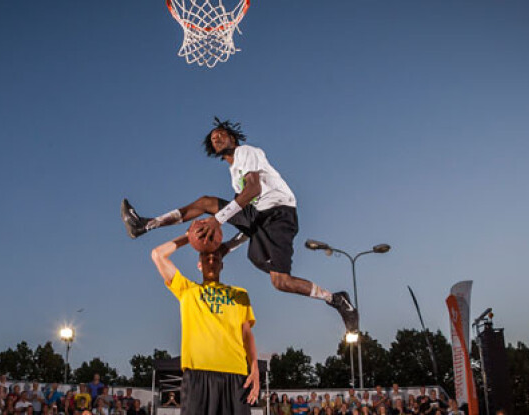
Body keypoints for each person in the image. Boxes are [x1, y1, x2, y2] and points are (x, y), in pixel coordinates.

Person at [121, 117, 359, 332]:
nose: (217, 138)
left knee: (281, 281)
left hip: (278, 213)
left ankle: (336, 299)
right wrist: (227, 247)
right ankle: (145, 225)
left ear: (232, 137)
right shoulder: (235, 174)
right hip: (260, 216)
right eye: (213, 139)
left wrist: (217, 220)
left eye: (221, 134)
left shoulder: (247, 152)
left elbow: (253, 189)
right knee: (207, 202)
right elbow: (248, 222)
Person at [150, 232, 260, 415]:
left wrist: (254, 367)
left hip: (235, 374)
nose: (211, 260)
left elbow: (246, 332)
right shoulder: (187, 290)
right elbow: (157, 254)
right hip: (197, 375)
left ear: (222, 264)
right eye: (206, 257)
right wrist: (190, 237)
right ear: (199, 265)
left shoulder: (240, 294)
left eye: (215, 257)